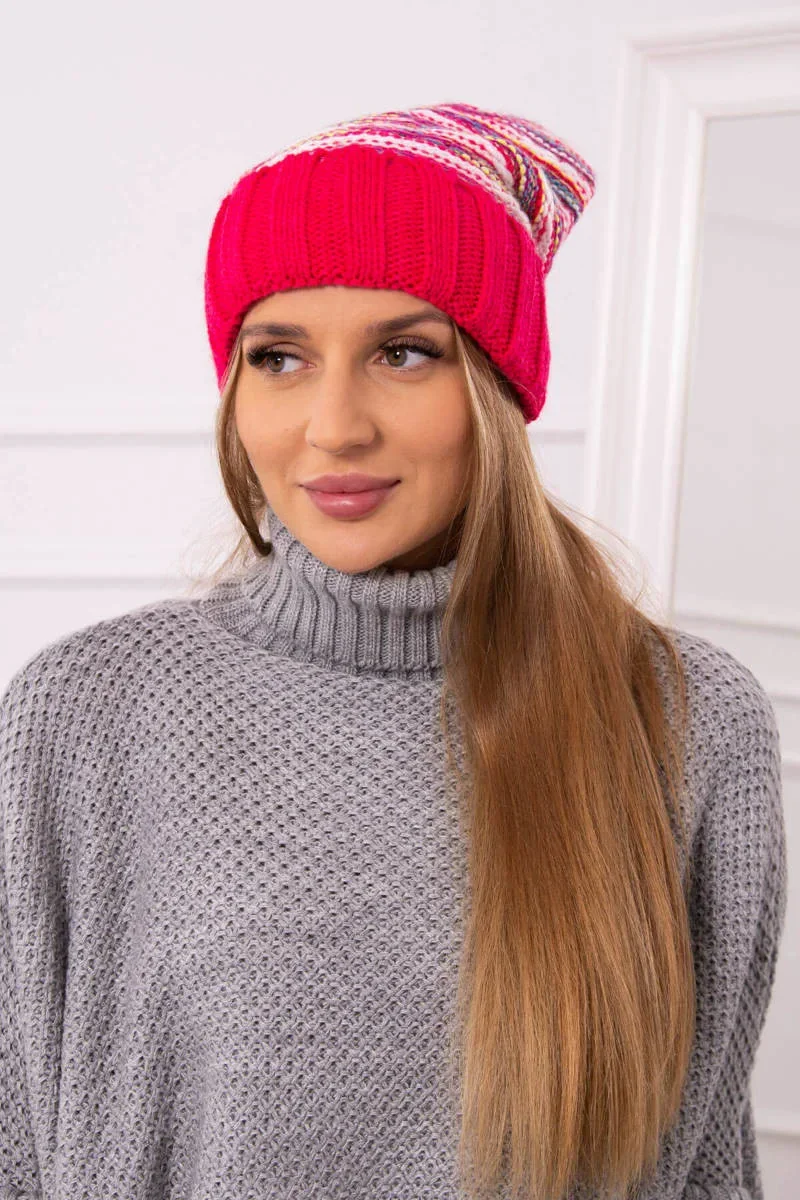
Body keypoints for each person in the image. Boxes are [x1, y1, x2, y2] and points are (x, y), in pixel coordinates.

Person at [0, 101, 786, 1200]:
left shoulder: (683, 718)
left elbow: (703, 1168)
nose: (333, 425)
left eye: (404, 353)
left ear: (497, 389)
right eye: (278, 357)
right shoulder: (85, 712)